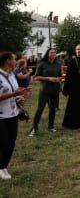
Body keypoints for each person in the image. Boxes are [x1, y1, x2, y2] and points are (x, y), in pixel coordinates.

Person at [0, 52, 31, 180]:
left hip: (12, 113)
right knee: (3, 141)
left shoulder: (12, 75)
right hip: (0, 116)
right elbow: (12, 93)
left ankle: (3, 166)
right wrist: (13, 94)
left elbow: (16, 94)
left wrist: (21, 97)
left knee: (11, 142)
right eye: (14, 59)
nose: (16, 60)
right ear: (8, 61)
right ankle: (1, 167)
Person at [28, 48, 62, 136]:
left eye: (55, 52)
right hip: (45, 90)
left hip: (55, 90)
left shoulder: (58, 64)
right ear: (48, 54)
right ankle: (34, 128)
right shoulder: (42, 64)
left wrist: (58, 79)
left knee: (53, 109)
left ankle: (51, 126)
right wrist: (49, 78)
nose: (54, 54)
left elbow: (60, 76)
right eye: (52, 52)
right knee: (40, 109)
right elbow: (36, 77)